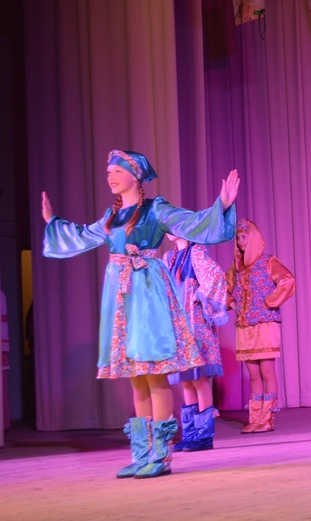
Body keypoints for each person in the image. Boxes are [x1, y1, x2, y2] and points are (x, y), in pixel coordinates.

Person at [42, 150, 239, 478]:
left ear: (135, 176)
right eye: (108, 171)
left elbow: (190, 223)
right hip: (123, 298)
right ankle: (142, 453)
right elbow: (82, 235)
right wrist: (53, 223)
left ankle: (161, 454)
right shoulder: (111, 216)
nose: (110, 176)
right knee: (136, 378)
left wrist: (223, 205)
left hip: (148, 294)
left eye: (117, 170)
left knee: (154, 374)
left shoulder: (154, 209)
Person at [227, 219, 295, 433]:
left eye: (244, 237)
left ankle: (267, 419)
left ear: (254, 238)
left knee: (267, 371)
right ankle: (255, 419)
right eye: (238, 238)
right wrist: (231, 303)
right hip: (244, 327)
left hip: (265, 324)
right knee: (253, 374)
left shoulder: (268, 261)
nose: (240, 241)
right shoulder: (237, 267)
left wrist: (270, 301)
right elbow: (223, 289)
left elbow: (287, 279)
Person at [164, 234, 229, 452]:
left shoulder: (196, 252)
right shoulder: (169, 257)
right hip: (178, 325)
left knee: (199, 379)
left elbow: (216, 277)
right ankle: (190, 434)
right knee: (185, 380)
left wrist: (197, 295)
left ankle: (204, 435)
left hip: (195, 323)